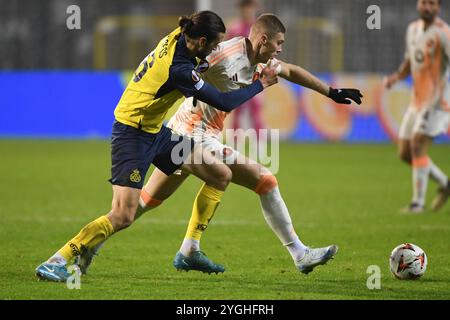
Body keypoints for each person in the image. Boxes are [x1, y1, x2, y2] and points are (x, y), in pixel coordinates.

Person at [77, 14, 363, 276]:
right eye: (279, 43)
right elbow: (189, 68)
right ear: (263, 40)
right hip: (190, 133)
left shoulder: (263, 63)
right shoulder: (224, 54)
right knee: (265, 180)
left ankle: (92, 246)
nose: (280, 49)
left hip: (194, 133)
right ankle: (297, 253)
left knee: (143, 204)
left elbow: (292, 71)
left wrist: (333, 92)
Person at [35, 11, 278, 282]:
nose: (214, 50)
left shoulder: (178, 36)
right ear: (198, 41)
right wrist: (260, 84)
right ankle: (59, 258)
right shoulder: (180, 70)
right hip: (132, 133)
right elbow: (224, 102)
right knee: (123, 214)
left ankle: (190, 249)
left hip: (156, 131)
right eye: (212, 45)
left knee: (220, 174)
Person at [384, 0, 450, 214]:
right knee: (404, 153)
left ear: (438, 7)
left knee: (417, 145)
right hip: (417, 100)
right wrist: (397, 77)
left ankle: (417, 204)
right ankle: (445, 183)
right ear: (418, 5)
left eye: (432, 3)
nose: (427, 7)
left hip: (438, 101)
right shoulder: (412, 29)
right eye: (424, 2)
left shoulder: (444, 33)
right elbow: (410, 61)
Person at [228, 0, 265, 140]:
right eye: (245, 6)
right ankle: (234, 147)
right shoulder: (234, 29)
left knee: (256, 110)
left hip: (256, 75)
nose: (247, 10)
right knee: (237, 110)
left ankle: (260, 147)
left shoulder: (260, 29)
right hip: (236, 77)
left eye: (249, 6)